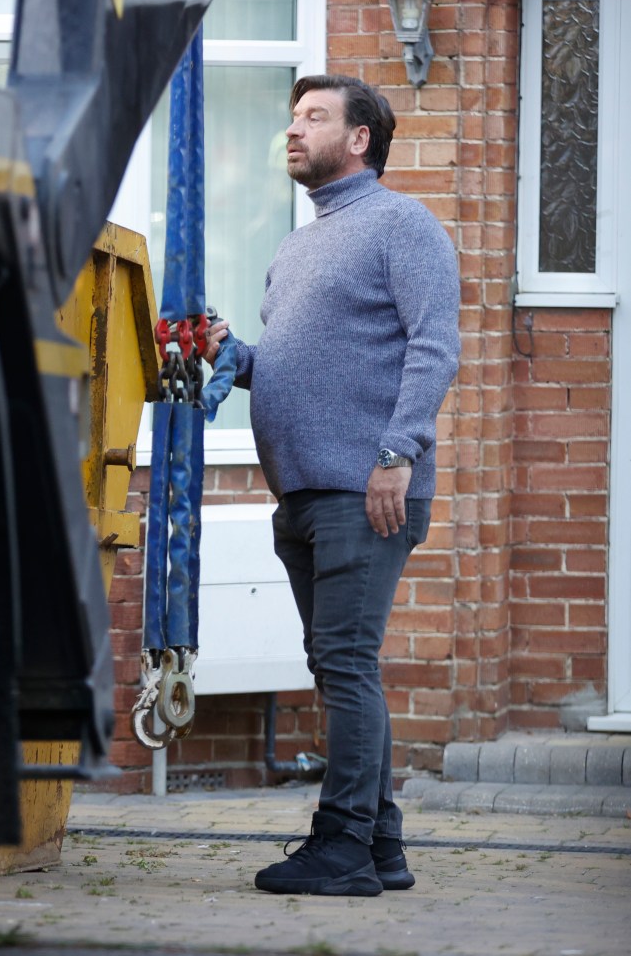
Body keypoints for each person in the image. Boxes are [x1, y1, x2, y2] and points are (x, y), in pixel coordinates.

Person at [204, 74, 460, 897]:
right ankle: (380, 846)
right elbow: (288, 368)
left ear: (358, 139)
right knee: (339, 666)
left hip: (366, 484)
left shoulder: (400, 224)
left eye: (313, 117)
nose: (292, 129)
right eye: (290, 116)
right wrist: (233, 352)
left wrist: (397, 451)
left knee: (344, 664)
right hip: (306, 491)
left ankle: (341, 843)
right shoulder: (297, 243)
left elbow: (433, 346)